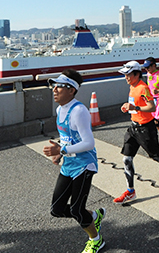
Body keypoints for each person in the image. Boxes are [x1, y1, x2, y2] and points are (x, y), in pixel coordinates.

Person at [43, 69, 106, 253]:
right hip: (69, 164)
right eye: (53, 86)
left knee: (77, 209)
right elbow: (68, 138)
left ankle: (96, 240)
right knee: (56, 209)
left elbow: (88, 143)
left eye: (59, 86)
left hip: (84, 164)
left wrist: (61, 149)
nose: (54, 89)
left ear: (71, 90)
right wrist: (60, 153)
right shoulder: (59, 109)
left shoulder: (79, 111)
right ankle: (94, 216)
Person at [114, 61, 159, 204]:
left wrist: (135, 107)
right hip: (133, 128)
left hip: (145, 129)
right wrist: (128, 108)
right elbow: (136, 105)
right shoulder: (132, 86)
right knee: (126, 158)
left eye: (128, 75)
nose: (126, 78)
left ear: (137, 74)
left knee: (157, 156)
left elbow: (151, 107)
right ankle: (130, 191)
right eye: (125, 75)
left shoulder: (143, 88)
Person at [142, 57, 159, 143]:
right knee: (153, 122)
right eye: (145, 68)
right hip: (151, 100)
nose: (146, 69)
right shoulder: (148, 74)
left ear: (154, 65)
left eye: (148, 67)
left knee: (157, 122)